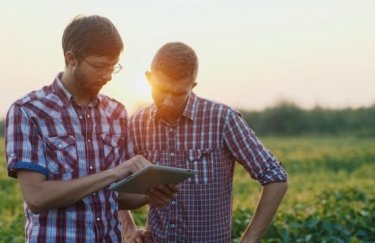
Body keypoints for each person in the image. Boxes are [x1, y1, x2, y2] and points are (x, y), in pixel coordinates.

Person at [5, 15, 176, 242]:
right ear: (71, 58)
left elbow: (116, 196)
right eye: (99, 67)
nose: (107, 76)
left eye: (113, 67)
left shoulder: (115, 112)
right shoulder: (30, 111)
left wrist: (150, 194)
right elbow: (36, 197)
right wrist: (114, 173)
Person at [119, 42, 288, 242]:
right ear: (149, 79)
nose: (169, 101)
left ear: (193, 86)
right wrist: (129, 229)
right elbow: (114, 188)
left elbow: (276, 179)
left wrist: (248, 240)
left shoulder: (223, 119)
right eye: (162, 90)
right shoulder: (137, 123)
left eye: (179, 93)